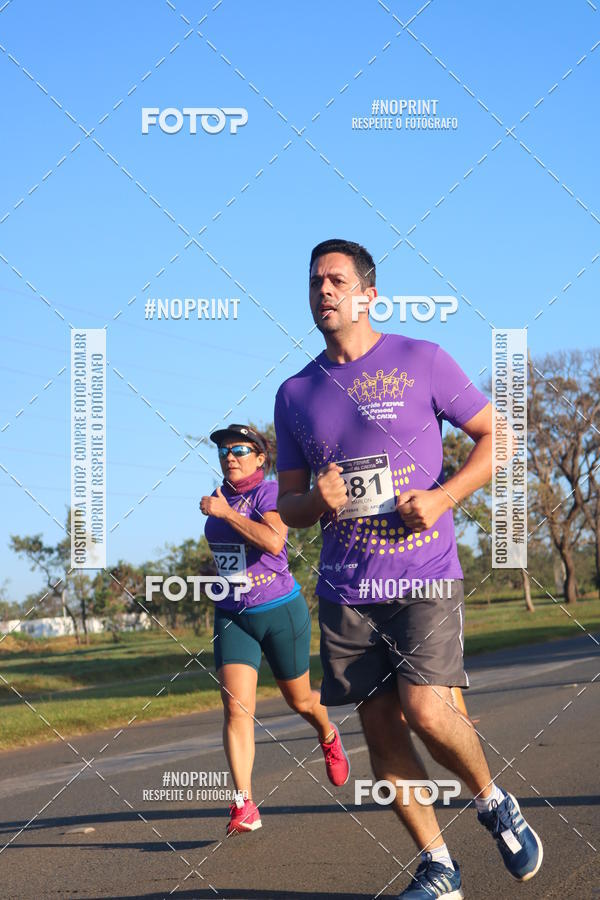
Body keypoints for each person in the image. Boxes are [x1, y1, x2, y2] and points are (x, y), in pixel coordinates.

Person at [274, 240, 542, 897]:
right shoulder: (295, 392)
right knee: (380, 732)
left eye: (336, 280)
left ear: (369, 295)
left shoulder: (420, 359)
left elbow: (497, 436)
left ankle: (492, 802)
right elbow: (288, 506)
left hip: (423, 573)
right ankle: (438, 869)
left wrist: (446, 495)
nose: (324, 291)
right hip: (347, 589)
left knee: (425, 709)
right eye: (315, 283)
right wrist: (316, 500)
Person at [200, 423, 350, 836]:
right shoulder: (219, 498)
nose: (229, 456)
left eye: (240, 449)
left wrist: (226, 514)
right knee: (236, 708)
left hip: (279, 610)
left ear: (260, 458)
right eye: (224, 450)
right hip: (232, 614)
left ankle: (327, 732)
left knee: (299, 700)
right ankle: (244, 803)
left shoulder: (268, 493)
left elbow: (273, 542)